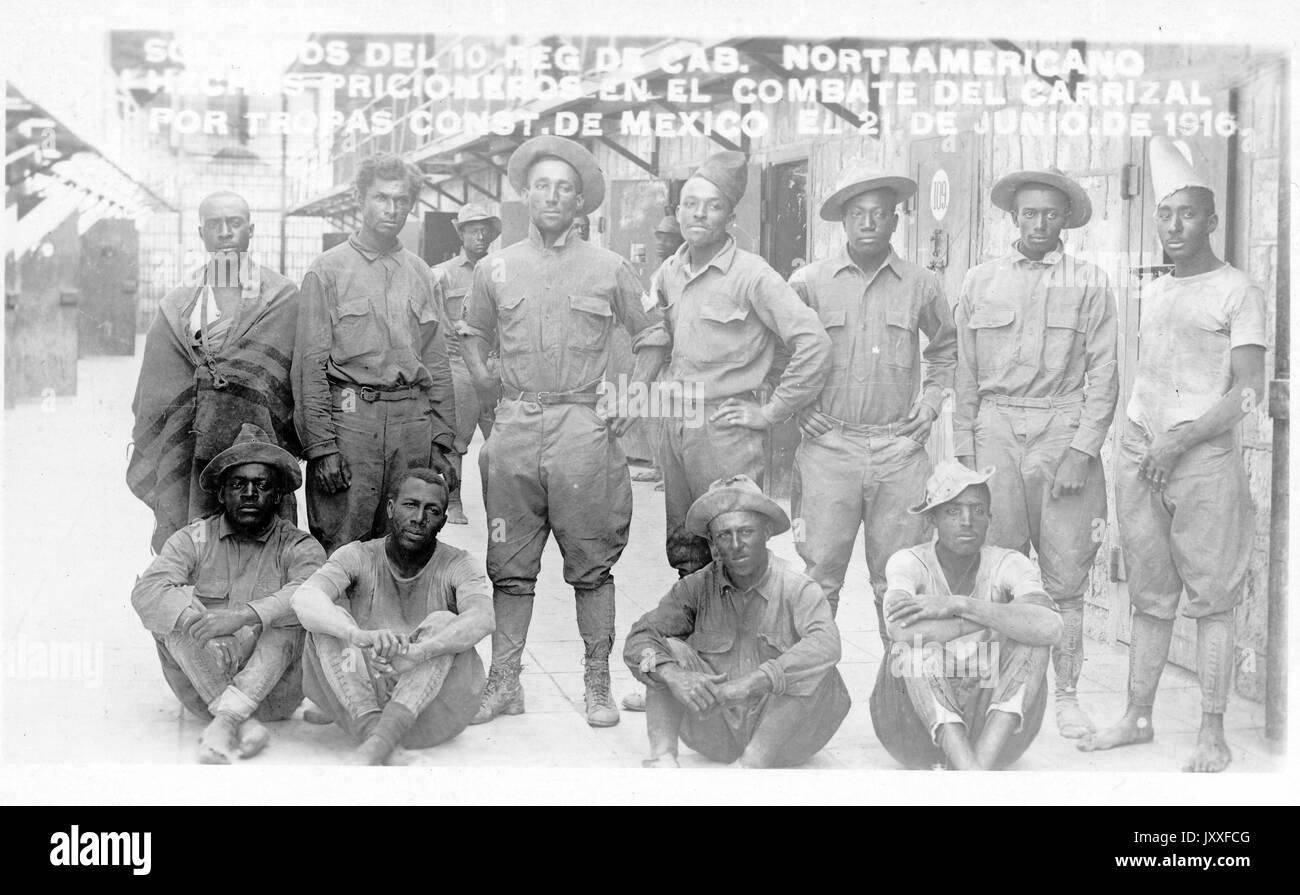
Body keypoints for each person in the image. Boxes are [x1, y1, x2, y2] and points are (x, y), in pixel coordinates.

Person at [461, 136, 669, 727]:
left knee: (591, 564)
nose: (553, 196)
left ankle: (597, 683)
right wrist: (489, 395)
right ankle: (504, 682)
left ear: (582, 202)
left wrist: (630, 397)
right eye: (543, 185)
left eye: (566, 188)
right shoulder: (494, 267)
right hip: (516, 426)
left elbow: (653, 334)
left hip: (583, 428)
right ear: (525, 194)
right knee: (509, 563)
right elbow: (473, 336)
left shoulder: (610, 267)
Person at [1079, 137, 1266, 773]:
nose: (1175, 226)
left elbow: (1248, 396)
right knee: (1151, 594)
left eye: (1188, 214)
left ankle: (1212, 730)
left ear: (1211, 220)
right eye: (1165, 214)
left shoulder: (1238, 291)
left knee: (1212, 595)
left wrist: (1181, 439)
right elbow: (1152, 375)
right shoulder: (1155, 291)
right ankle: (1137, 714)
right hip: (1140, 452)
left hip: (1200, 457)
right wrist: (1136, 440)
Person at [953, 166, 1117, 740]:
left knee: (1065, 575)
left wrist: (1082, 450)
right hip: (995, 429)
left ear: (1067, 220)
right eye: (1029, 213)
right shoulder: (979, 281)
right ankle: (994, 692)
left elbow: (1105, 374)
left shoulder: (1090, 281)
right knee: (993, 570)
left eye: (1051, 213)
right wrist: (962, 459)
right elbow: (965, 376)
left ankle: (1067, 695)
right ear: (1013, 217)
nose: (1040, 223)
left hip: (1060, 429)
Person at [789, 161, 957, 635]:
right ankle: (812, 692)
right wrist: (799, 406)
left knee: (900, 583)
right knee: (819, 580)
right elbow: (778, 351)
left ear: (894, 221)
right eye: (858, 213)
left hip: (899, 453)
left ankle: (901, 696)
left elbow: (946, 351)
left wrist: (929, 407)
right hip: (829, 449)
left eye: (879, 213)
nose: (868, 223)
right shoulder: (809, 283)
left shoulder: (922, 284)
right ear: (843, 220)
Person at [655, 150, 831, 576]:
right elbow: (661, 340)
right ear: (677, 212)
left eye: (713, 206)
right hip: (676, 421)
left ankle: (743, 640)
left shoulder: (753, 275)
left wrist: (771, 410)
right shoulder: (668, 272)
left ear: (730, 217)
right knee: (686, 546)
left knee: (734, 544)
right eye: (691, 204)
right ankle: (699, 637)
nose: (700, 215)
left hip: (725, 429)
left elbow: (813, 343)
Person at [293, 152, 459, 555]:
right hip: (351, 426)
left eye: (402, 200)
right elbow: (310, 367)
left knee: (406, 542)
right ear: (360, 200)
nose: (392, 208)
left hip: (412, 426)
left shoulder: (421, 272)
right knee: (341, 544)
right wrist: (322, 448)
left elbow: (437, 362)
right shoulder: (327, 270)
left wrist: (443, 441)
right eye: (382, 198)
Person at [130, 423, 325, 763]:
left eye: (261, 485)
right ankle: (238, 720)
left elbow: (312, 594)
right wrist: (198, 622)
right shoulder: (196, 538)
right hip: (204, 683)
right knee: (173, 613)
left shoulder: (298, 545)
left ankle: (229, 722)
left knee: (296, 614)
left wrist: (241, 615)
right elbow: (147, 590)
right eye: (238, 484)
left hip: (275, 692)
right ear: (222, 494)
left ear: (277, 495)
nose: (250, 493)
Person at [624, 475, 849, 767]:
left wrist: (752, 682)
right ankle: (663, 759)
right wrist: (673, 674)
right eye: (724, 535)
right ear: (714, 545)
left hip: (784, 736)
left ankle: (751, 765)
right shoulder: (696, 587)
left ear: (766, 532)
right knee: (665, 651)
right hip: (714, 727)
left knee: (814, 665)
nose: (736, 544)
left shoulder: (796, 586)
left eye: (746, 532)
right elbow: (639, 638)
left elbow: (826, 645)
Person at [128, 191, 302, 552]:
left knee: (265, 545)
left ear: (251, 230)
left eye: (234, 223)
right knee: (195, 543)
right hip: (192, 445)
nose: (225, 232)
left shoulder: (282, 297)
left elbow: (295, 378)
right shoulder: (177, 303)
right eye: (214, 225)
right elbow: (155, 386)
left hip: (260, 443)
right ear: (201, 233)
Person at [290, 469, 495, 765]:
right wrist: (357, 635)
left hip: (429, 709)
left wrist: (418, 652)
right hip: (363, 699)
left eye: (432, 510)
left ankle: (377, 743)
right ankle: (381, 740)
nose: (419, 517)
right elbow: (304, 597)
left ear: (443, 522)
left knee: (444, 622)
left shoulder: (458, 563)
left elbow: (483, 617)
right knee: (330, 622)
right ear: (390, 508)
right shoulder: (358, 555)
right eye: (410, 505)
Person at [870, 461, 1062, 770]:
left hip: (990, 721)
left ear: (990, 518)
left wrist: (960, 605)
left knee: (1033, 642)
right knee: (914, 650)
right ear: (931, 519)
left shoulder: (1009, 563)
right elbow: (899, 630)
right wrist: (987, 622)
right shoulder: (909, 562)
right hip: (917, 730)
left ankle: (976, 772)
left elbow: (1050, 627)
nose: (967, 521)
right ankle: (971, 773)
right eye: (952, 511)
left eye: (977, 510)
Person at [431, 203, 502, 524]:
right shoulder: (442, 274)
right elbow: (436, 324)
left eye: (486, 230)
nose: (481, 236)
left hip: (492, 365)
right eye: (474, 230)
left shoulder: (499, 271)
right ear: (460, 233)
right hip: (457, 366)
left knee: (502, 439)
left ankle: (500, 505)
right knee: (456, 441)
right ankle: (454, 501)